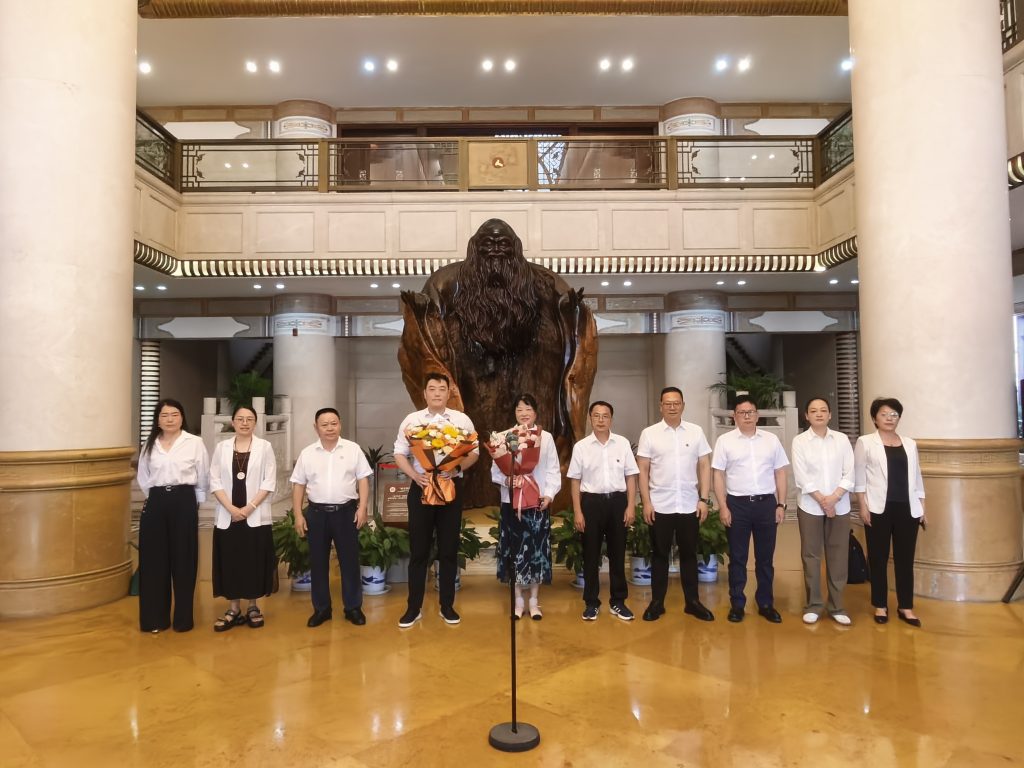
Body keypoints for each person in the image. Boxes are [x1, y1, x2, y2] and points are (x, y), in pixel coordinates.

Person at [398, 218, 596, 509]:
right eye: (487, 244)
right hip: (469, 379)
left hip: (534, 372)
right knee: (474, 443)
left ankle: (535, 500)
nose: (495, 250)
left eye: (502, 244)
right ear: (474, 248)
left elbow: (572, 321)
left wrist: (571, 314)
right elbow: (425, 330)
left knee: (532, 441)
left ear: (515, 248)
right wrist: (421, 313)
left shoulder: (544, 281)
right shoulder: (447, 280)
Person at [394, 373, 479, 628]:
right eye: (432, 389)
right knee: (419, 550)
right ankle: (413, 608)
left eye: (442, 389)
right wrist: (414, 476)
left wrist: (457, 469)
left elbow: (474, 452)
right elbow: (399, 453)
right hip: (421, 488)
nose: (437, 393)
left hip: (450, 487)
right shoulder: (413, 420)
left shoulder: (461, 419)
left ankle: (447, 606)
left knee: (448, 549)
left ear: (448, 392)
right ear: (425, 393)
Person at [637, 387, 716, 623]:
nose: (672, 407)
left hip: (689, 504)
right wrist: (646, 502)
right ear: (660, 406)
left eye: (676, 403)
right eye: (667, 403)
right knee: (659, 555)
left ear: (683, 405)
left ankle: (692, 602)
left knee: (689, 554)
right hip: (659, 505)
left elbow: (704, 465)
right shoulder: (649, 434)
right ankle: (657, 603)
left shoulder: (696, 431)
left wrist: (704, 499)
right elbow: (643, 469)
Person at [291, 408, 372, 628]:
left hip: (346, 513)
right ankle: (321, 609)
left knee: (349, 562)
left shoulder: (353, 449)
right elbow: (298, 485)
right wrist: (298, 514)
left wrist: (362, 507)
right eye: (324, 424)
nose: (329, 428)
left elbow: (363, 479)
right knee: (318, 563)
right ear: (316, 427)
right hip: (316, 514)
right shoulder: (308, 453)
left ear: (340, 424)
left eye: (333, 423)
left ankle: (353, 608)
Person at [712, 395, 790, 624]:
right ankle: (737, 604)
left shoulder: (771, 440)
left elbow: (780, 472)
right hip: (737, 505)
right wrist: (723, 506)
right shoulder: (725, 441)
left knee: (765, 558)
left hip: (766, 504)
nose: (747, 416)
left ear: (757, 415)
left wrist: (781, 504)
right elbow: (718, 474)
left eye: (751, 412)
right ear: (734, 416)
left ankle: (765, 603)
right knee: (738, 558)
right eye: (742, 412)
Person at [136, 398, 210, 634]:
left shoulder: (194, 442)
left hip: (184, 500)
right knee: (154, 561)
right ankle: (154, 619)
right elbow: (143, 477)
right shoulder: (149, 445)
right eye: (165, 415)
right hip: (156, 502)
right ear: (157, 420)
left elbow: (203, 475)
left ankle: (183, 620)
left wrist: (195, 503)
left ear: (182, 417)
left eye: (174, 414)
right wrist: (157, 497)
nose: (170, 419)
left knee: (184, 559)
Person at [854, 397, 927, 628]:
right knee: (878, 558)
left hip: (907, 508)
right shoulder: (865, 442)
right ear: (875, 418)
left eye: (894, 414)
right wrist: (862, 506)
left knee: (905, 559)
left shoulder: (909, 444)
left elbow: (917, 476)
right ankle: (880, 604)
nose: (889, 418)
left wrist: (922, 506)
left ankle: (906, 606)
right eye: (884, 414)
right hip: (877, 508)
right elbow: (859, 478)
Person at [492, 393, 561, 620]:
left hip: (537, 502)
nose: (524, 413)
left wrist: (549, 495)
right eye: (519, 409)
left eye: (528, 409)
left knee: (535, 552)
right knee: (515, 551)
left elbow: (553, 469)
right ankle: (518, 601)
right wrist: (507, 481)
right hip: (511, 503)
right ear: (514, 412)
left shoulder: (546, 438)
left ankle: (534, 601)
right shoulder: (503, 437)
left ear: (536, 412)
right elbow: (495, 472)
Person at [568, 400, 639, 621]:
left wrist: (631, 505)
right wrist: (578, 511)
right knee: (590, 555)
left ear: (611, 419)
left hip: (618, 502)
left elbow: (631, 476)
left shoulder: (622, 443)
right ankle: (591, 603)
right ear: (590, 419)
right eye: (596, 415)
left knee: (618, 554)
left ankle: (618, 602)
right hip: (591, 504)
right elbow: (575, 481)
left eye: (605, 416)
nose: (601, 420)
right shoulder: (581, 447)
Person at [209, 405, 277, 631]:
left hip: (254, 514)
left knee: (253, 559)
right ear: (233, 422)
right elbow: (214, 479)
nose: (245, 423)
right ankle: (233, 608)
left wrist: (249, 508)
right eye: (240, 419)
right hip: (228, 514)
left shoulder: (265, 447)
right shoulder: (222, 447)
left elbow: (269, 480)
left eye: (249, 419)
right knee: (231, 559)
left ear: (255, 423)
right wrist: (230, 508)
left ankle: (253, 606)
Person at [791, 397, 855, 626]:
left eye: (823, 410)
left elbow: (850, 472)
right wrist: (822, 500)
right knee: (811, 555)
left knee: (838, 555)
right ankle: (814, 605)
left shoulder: (841, 439)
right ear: (806, 416)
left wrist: (834, 497)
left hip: (840, 505)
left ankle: (837, 606)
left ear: (830, 415)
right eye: (813, 411)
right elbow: (801, 476)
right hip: (810, 505)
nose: (818, 414)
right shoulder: (799, 441)